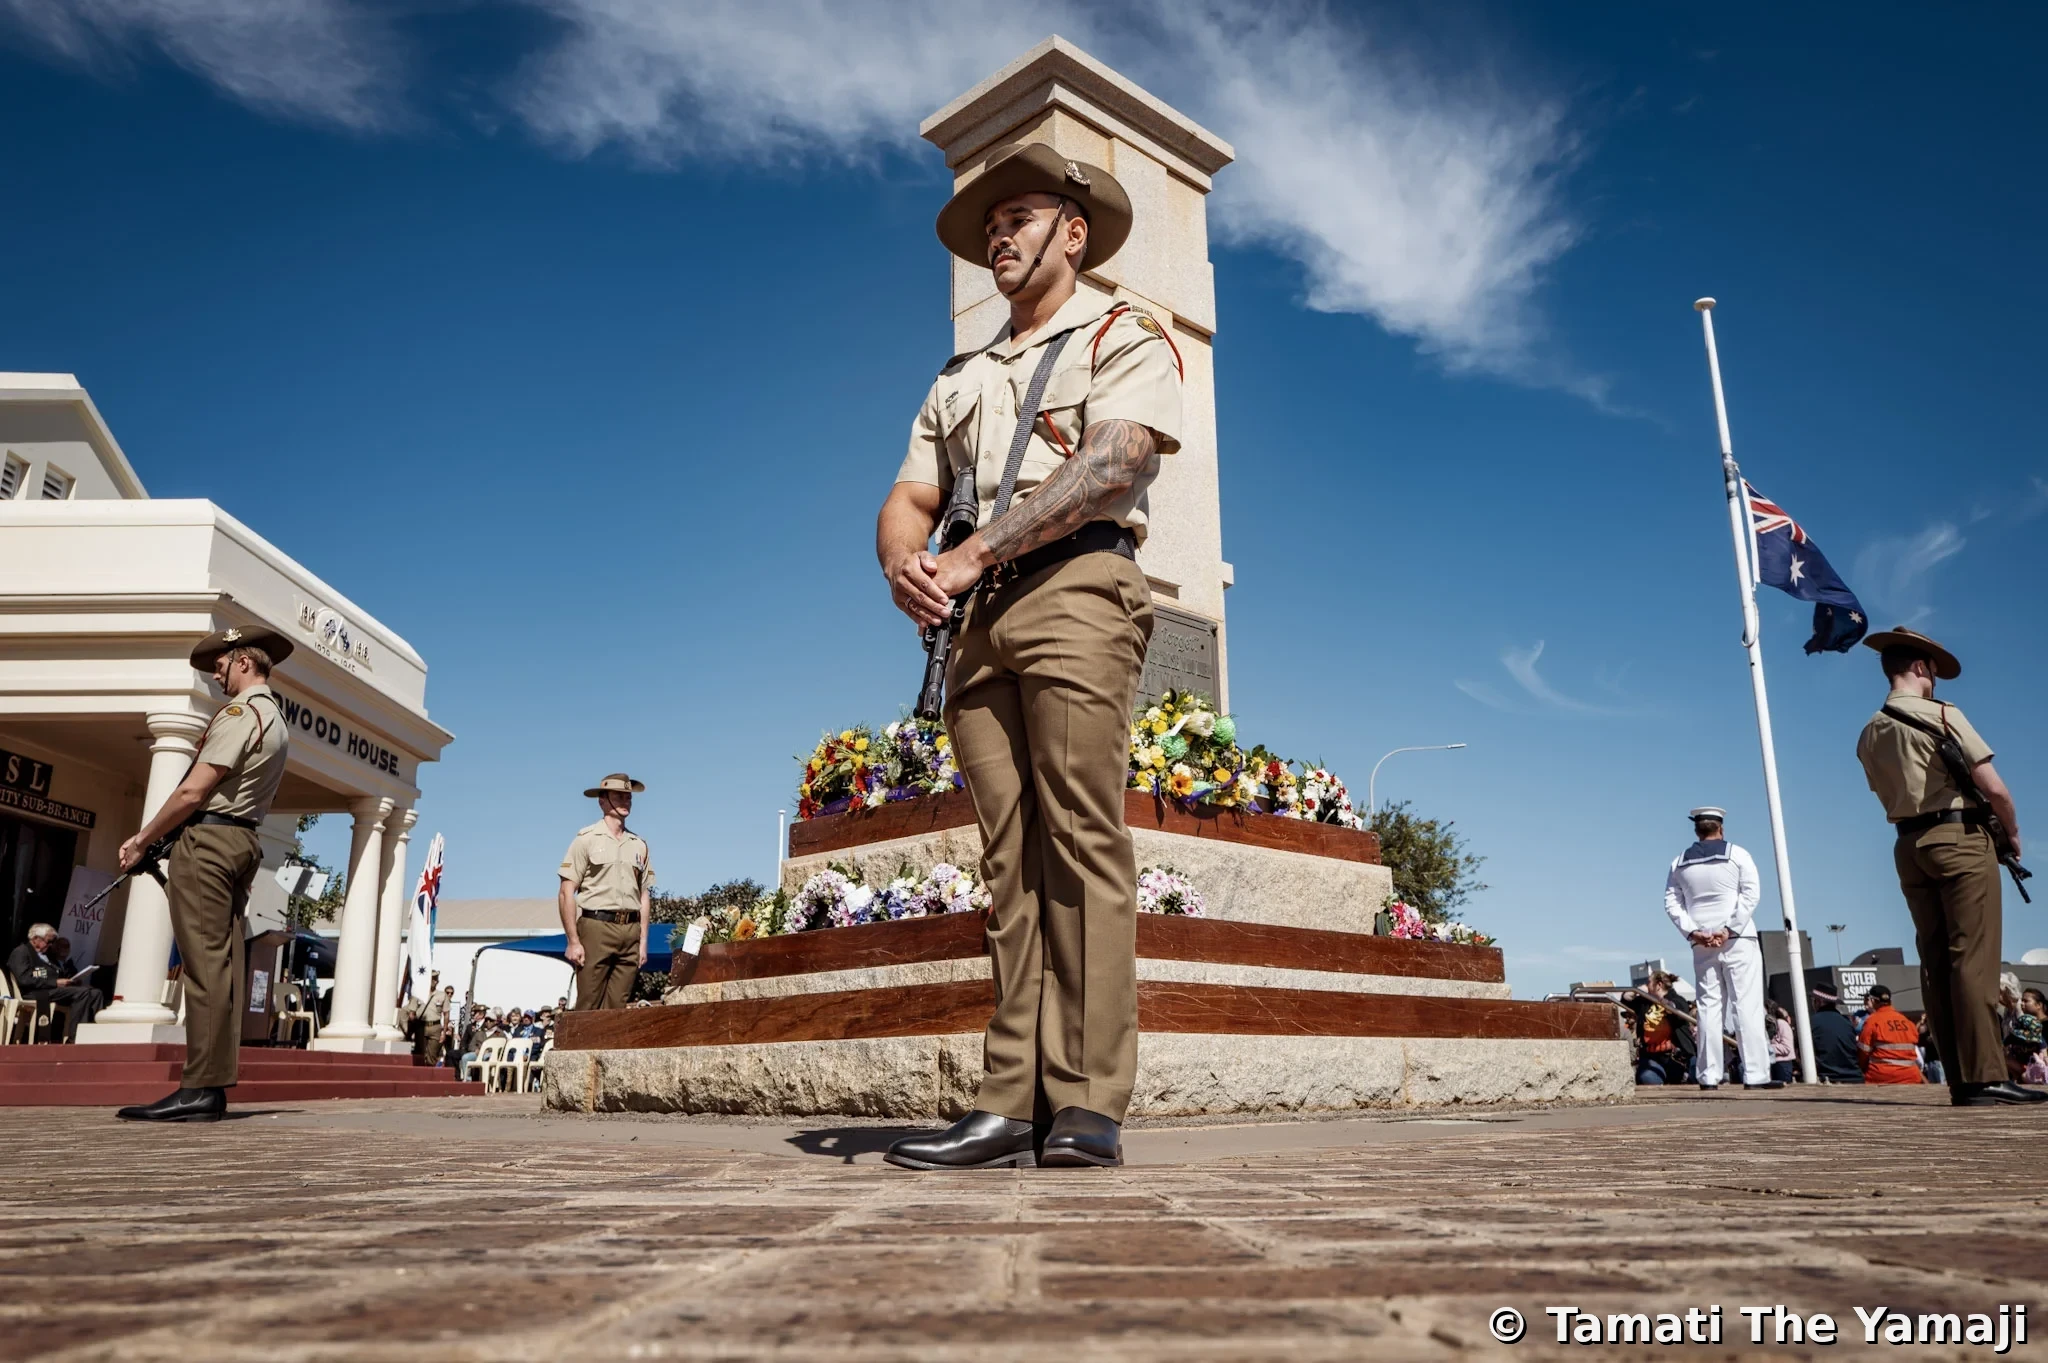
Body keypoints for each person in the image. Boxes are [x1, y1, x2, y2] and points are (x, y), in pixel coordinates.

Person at [876, 142, 1179, 1172]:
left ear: (1073, 232)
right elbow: (909, 495)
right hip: (976, 621)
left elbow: (1116, 462)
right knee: (1008, 860)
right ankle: (1009, 1102)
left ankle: (1087, 1099)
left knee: (1080, 838)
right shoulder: (959, 376)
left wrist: (968, 554)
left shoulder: (1121, 331)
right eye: (990, 226)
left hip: (1076, 589)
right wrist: (905, 566)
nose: (998, 238)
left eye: (1018, 219)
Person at [1854, 626, 2042, 1106]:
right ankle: (1986, 1076)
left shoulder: (1869, 732)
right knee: (1973, 958)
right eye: (1933, 672)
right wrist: (2012, 833)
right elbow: (1994, 788)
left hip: (1908, 844)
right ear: (1921, 667)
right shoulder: (1941, 714)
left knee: (1935, 962)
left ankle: (1960, 1078)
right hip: (1959, 838)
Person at [116, 625, 292, 1123]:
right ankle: (208, 1085)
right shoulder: (275, 717)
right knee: (220, 964)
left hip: (211, 842)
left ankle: (200, 1087)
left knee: (204, 966)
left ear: (243, 662)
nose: (216, 674)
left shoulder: (240, 713)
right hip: (241, 839)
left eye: (220, 665)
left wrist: (143, 838)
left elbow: (193, 791)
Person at [1663, 807, 1779, 1091]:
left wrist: (1693, 931)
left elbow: (1671, 902)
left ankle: (1708, 1076)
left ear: (1696, 830)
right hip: (1738, 939)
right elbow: (1751, 894)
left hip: (1702, 942)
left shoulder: (1679, 862)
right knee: (1746, 1005)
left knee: (1708, 1008)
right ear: (1721, 828)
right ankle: (1755, 1075)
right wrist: (1729, 928)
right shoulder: (1738, 855)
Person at [560, 773, 653, 1012]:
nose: (625, 801)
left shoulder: (639, 844)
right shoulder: (586, 839)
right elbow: (566, 892)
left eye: (628, 796)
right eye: (618, 796)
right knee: (588, 1005)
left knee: (617, 1008)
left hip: (630, 930)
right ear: (602, 801)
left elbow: (643, 895)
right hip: (596, 927)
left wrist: (643, 942)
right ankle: (581, 1039)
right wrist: (573, 941)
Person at [6, 923, 103, 1041]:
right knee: (82, 993)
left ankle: (93, 1034)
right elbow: (25, 978)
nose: (51, 945)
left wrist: (71, 981)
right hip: (35, 991)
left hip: (52, 989)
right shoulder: (21, 952)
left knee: (95, 993)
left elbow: (55, 973)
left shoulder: (48, 955)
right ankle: (75, 1038)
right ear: (35, 939)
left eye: (52, 942)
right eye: (48, 941)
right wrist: (55, 983)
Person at [1855, 984, 1924, 1084]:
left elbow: (1863, 1054)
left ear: (1873, 1001)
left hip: (1881, 1077)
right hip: (1911, 1077)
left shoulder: (1872, 1021)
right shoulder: (1907, 1022)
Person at [1807, 987, 1865, 1084]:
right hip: (1855, 1077)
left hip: (1828, 1079)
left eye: (1813, 1000)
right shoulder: (1847, 1022)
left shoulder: (1811, 1023)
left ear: (1819, 1002)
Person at [1767, 1001, 1798, 1084]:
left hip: (1782, 1064)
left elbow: (1786, 1048)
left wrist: (1767, 1048)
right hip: (1771, 1063)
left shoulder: (1782, 1024)